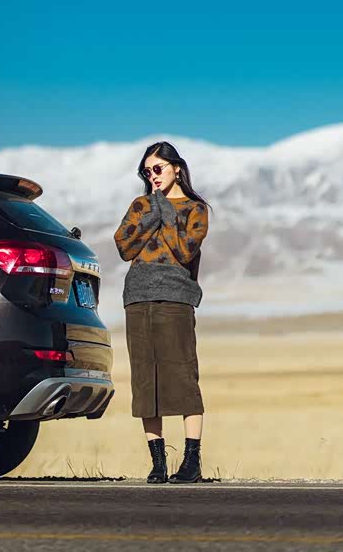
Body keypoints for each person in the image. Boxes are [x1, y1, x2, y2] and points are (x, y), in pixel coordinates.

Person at [114, 140, 212, 484]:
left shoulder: (195, 209)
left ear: (176, 168)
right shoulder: (141, 205)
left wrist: (164, 211)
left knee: (183, 377)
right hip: (137, 298)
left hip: (175, 299)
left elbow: (184, 249)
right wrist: (153, 210)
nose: (152, 176)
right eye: (147, 171)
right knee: (145, 382)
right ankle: (158, 463)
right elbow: (124, 246)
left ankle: (191, 461)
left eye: (158, 168)